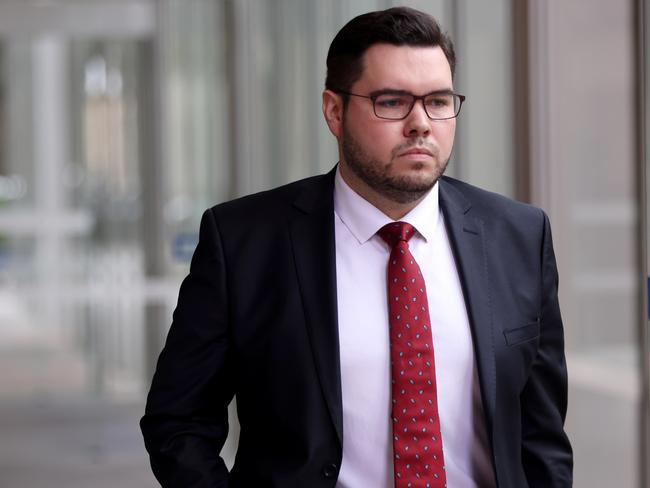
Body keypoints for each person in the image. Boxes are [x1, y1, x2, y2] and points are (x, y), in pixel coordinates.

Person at [141, 6, 573, 487]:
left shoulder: (518, 235)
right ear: (334, 111)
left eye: (438, 100)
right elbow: (177, 421)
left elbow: (542, 434)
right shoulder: (244, 242)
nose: (420, 124)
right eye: (391, 102)